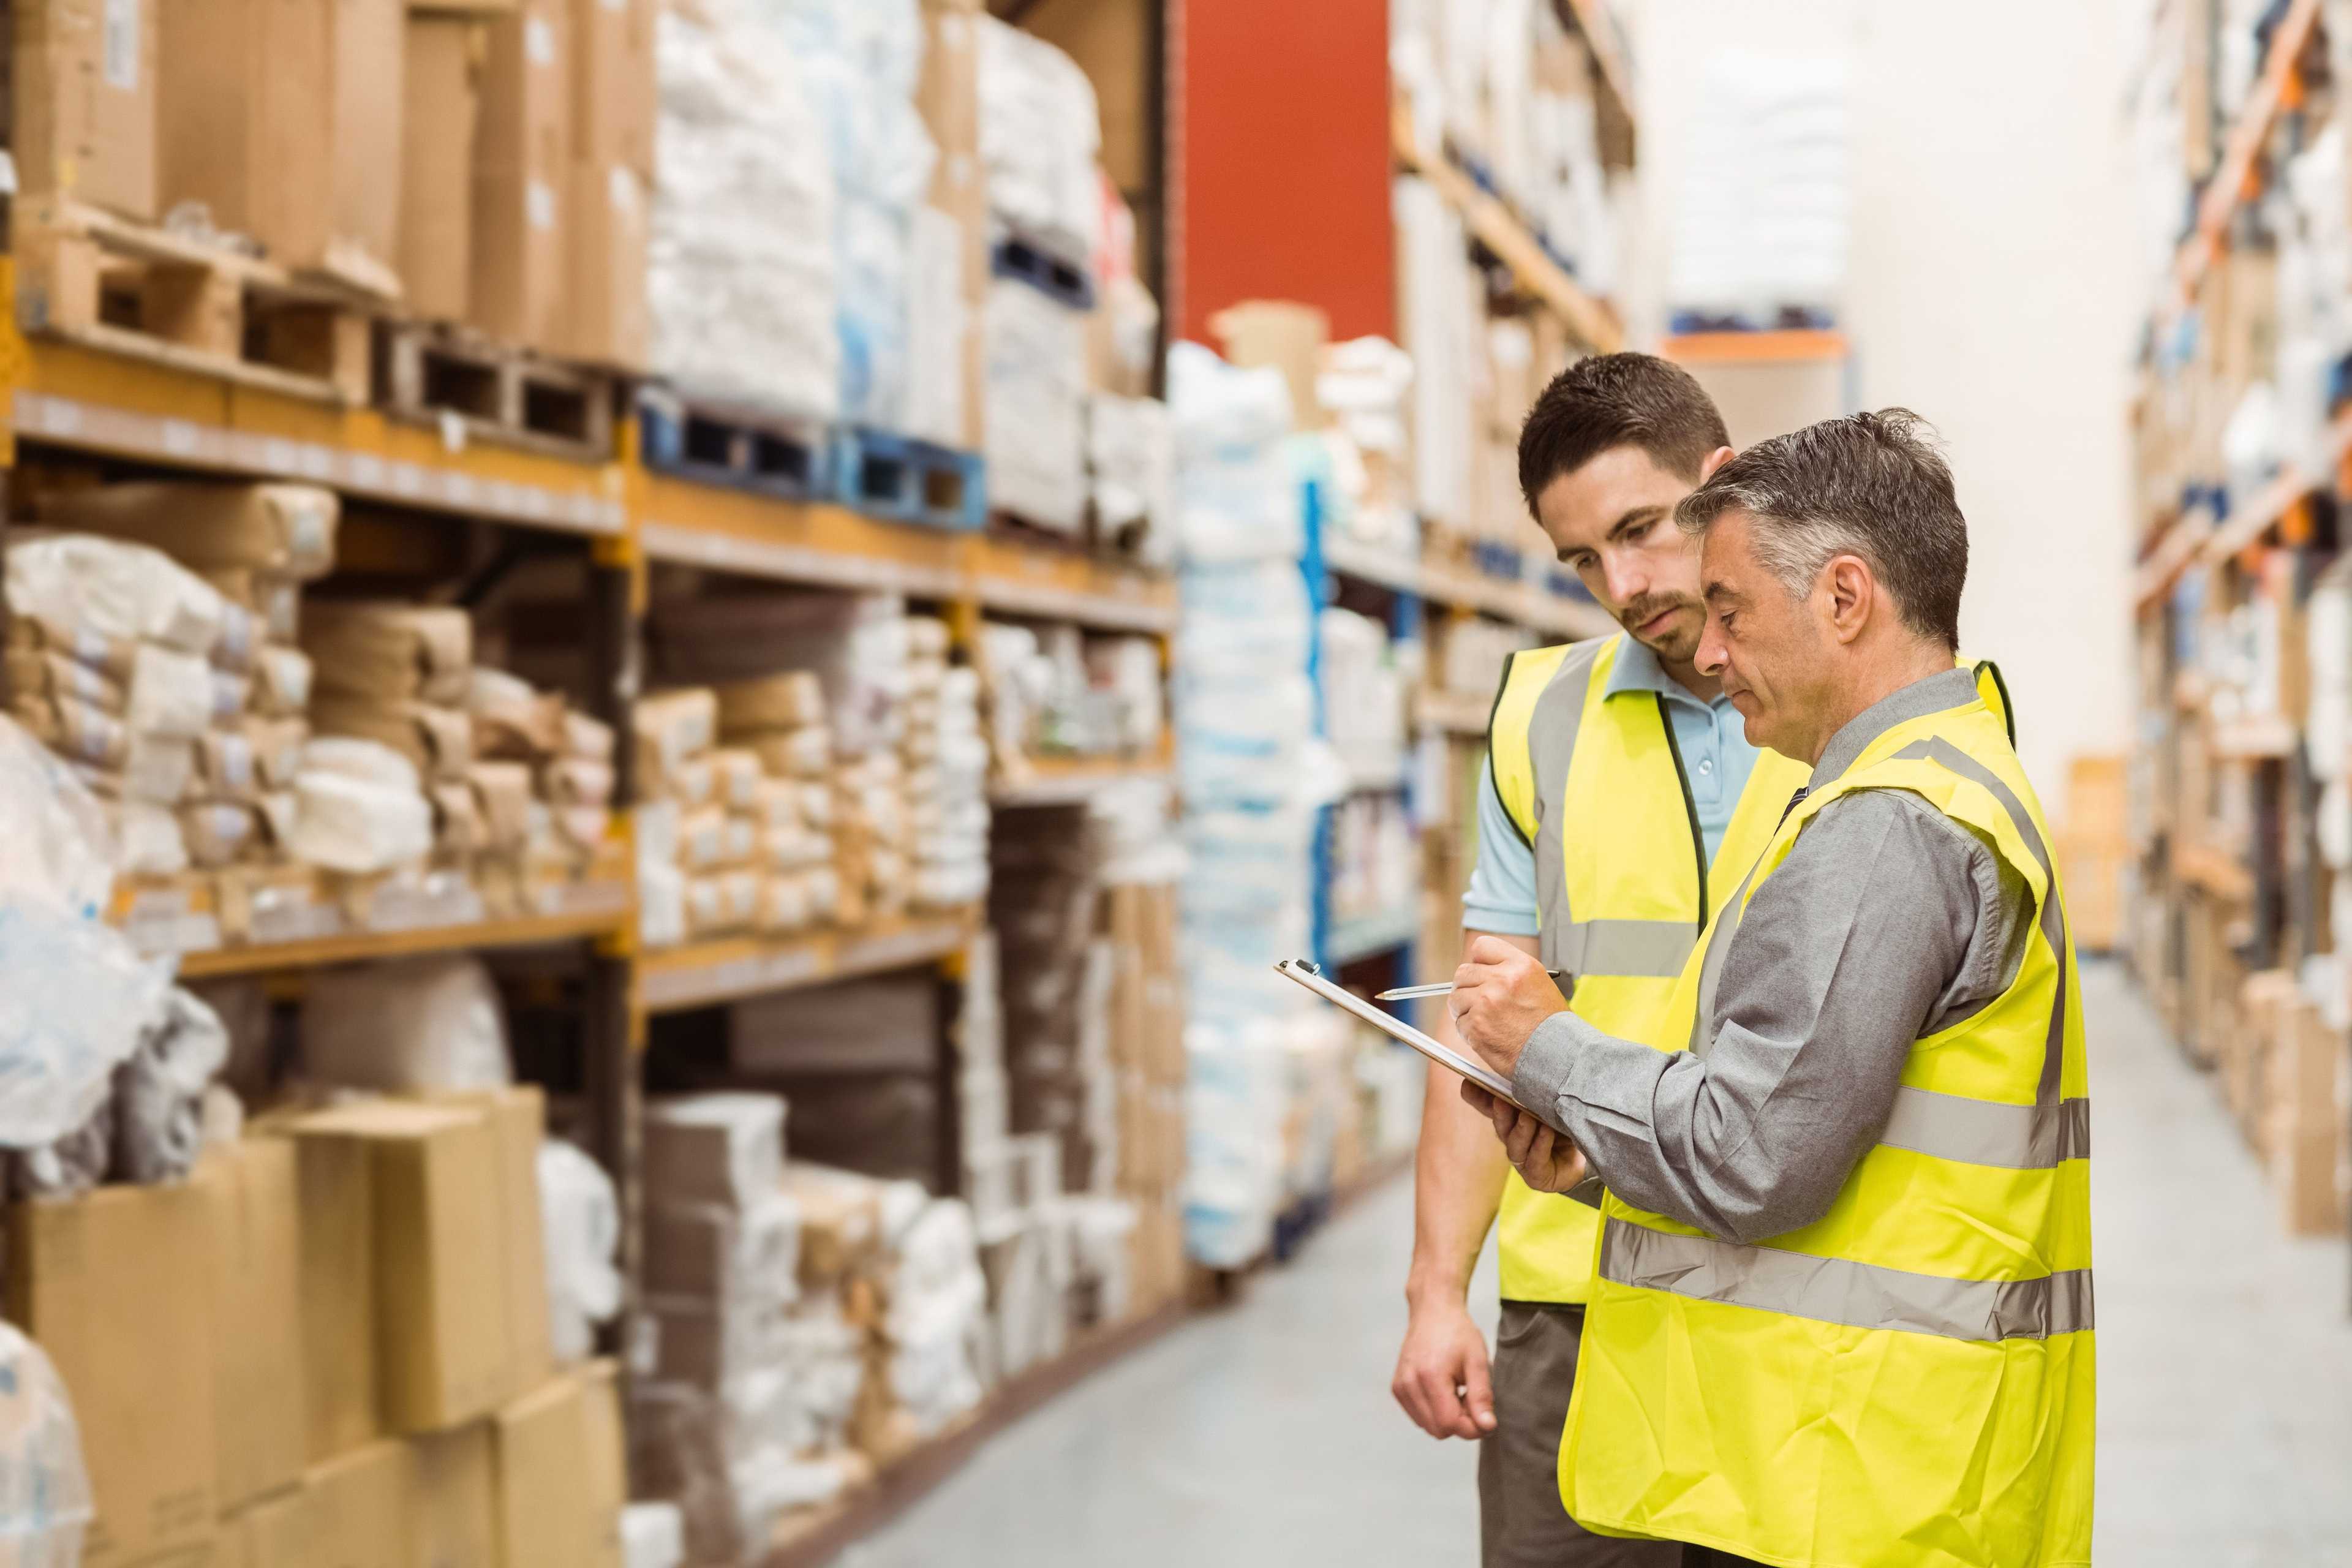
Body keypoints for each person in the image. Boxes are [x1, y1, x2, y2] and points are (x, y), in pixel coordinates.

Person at [1451, 411, 2094, 1568]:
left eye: (1733, 613)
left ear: (1845, 599)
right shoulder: (1956, 769)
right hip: (1903, 1450)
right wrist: (1600, 1157)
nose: (1708, 651)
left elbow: (1756, 1154)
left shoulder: (1885, 828)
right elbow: (1846, 1135)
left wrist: (1546, 1049)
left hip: (1855, 1473)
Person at [1390, 354, 1814, 1568]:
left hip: (1790, 1298)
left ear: (1720, 486)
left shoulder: (1846, 703)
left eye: (1641, 528)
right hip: (1581, 1304)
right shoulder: (1543, 713)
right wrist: (1435, 1291)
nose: (1622, 585)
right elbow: (1484, 1020)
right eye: (1583, 558)